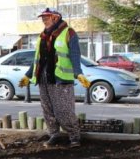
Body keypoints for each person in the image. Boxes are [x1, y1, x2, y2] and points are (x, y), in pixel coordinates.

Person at [19, 8, 90, 148]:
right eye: (42, 18)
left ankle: (74, 137)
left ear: (56, 18)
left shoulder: (69, 32)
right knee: (48, 110)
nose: (43, 20)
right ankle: (54, 135)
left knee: (63, 110)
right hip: (44, 78)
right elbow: (37, 59)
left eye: (46, 17)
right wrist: (28, 75)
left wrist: (78, 73)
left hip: (60, 79)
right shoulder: (42, 36)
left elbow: (75, 55)